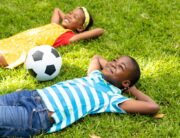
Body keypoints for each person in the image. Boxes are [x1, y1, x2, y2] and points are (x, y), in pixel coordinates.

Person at [0, 55, 160, 137]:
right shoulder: (94, 75)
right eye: (114, 60)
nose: (112, 64)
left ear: (125, 83)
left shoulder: (112, 98)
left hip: (37, 115)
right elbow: (96, 57)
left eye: (120, 66)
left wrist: (131, 89)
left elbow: (153, 107)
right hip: (30, 95)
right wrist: (113, 69)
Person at [0, 7, 104, 68]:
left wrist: (74, 28)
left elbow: (100, 31)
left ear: (80, 28)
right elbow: (57, 10)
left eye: (74, 17)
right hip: (20, 39)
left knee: (5, 56)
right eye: (70, 13)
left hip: (25, 48)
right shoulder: (55, 24)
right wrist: (68, 20)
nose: (69, 15)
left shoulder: (68, 36)